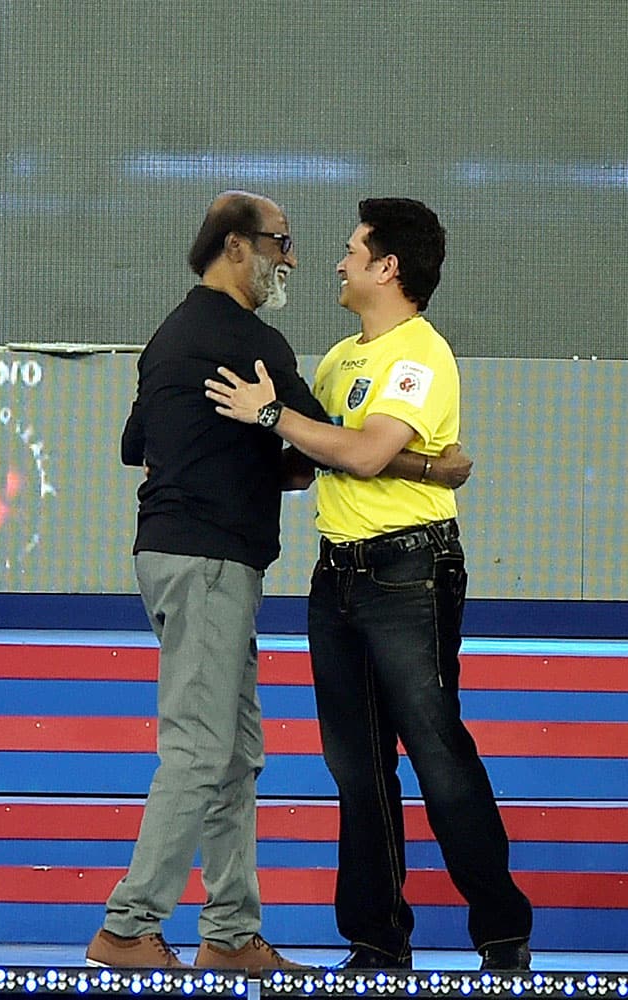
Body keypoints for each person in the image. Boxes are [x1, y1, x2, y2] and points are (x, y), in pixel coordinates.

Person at [86, 191, 471, 972]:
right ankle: (127, 927)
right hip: (211, 562)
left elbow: (139, 445)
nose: (294, 258)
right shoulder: (252, 342)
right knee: (201, 751)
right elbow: (328, 450)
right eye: (282, 242)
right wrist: (435, 465)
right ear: (237, 247)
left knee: (234, 753)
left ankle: (230, 935)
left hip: (172, 555)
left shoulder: (169, 337)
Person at [205, 197, 533, 972]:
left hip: (408, 571)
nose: (338, 259)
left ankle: (501, 931)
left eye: (353, 249)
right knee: (355, 766)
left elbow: (360, 451)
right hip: (338, 574)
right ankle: (377, 941)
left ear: (388, 266)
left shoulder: (421, 352)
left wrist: (275, 414)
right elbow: (327, 453)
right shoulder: (339, 358)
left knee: (436, 748)